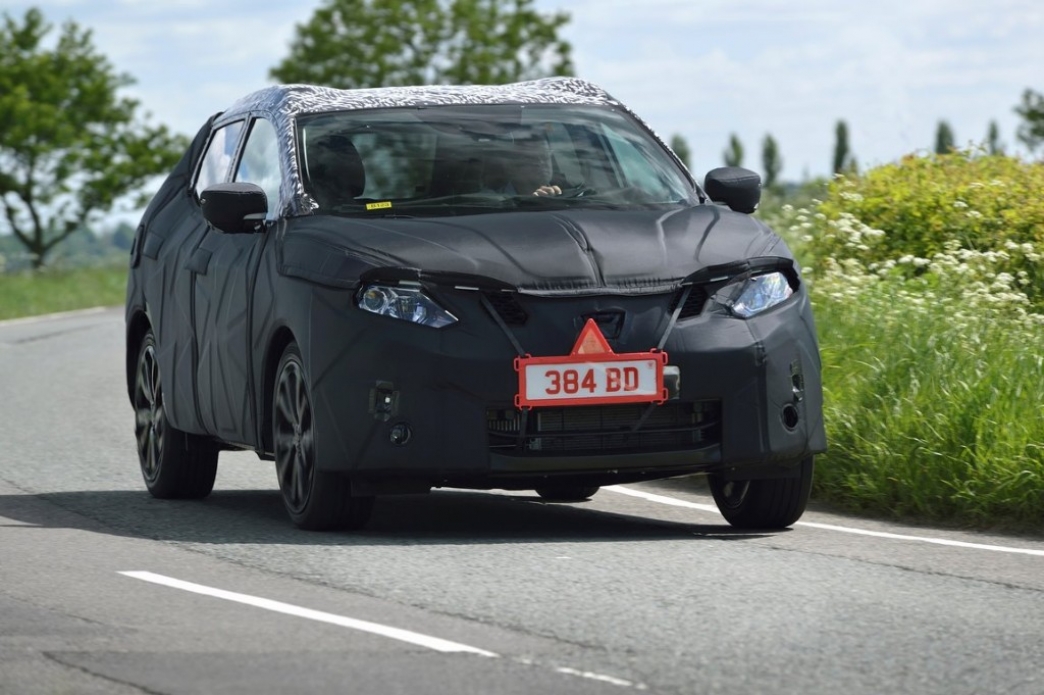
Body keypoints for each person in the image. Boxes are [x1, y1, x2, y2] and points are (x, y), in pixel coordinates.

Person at [482, 130, 561, 196]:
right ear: (511, 166)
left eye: (545, 156)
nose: (541, 163)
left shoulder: (564, 196)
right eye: (532, 158)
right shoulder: (494, 201)